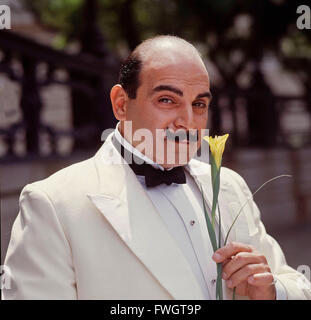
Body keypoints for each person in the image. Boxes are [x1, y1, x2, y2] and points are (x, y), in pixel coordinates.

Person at [3, 35, 310, 300]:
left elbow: (296, 283)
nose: (187, 121)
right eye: (167, 100)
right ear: (121, 104)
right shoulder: (53, 205)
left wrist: (272, 291)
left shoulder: (230, 186)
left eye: (199, 104)